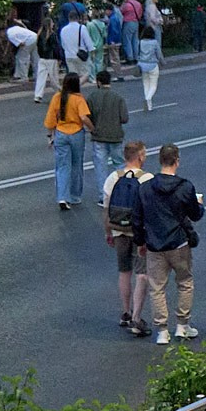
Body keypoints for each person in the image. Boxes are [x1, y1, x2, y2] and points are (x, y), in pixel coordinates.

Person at [134, 143, 204, 344]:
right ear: (177, 161)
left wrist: (140, 242)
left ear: (160, 160)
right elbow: (195, 215)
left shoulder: (145, 188)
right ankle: (182, 325)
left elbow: (137, 218)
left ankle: (162, 330)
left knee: (157, 287)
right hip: (179, 244)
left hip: (155, 245)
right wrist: (198, 205)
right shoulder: (185, 187)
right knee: (185, 282)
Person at [103, 141, 153, 335]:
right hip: (139, 231)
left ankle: (125, 312)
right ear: (140, 156)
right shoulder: (147, 178)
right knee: (142, 273)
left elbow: (106, 208)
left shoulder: (113, 178)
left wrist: (108, 232)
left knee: (124, 272)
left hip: (118, 230)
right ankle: (136, 318)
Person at [45, 73, 93, 211]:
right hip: (76, 134)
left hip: (61, 134)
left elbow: (50, 119)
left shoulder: (57, 97)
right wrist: (92, 128)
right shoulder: (78, 99)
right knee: (76, 165)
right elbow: (83, 118)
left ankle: (62, 197)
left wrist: (50, 136)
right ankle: (75, 196)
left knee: (62, 166)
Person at [87, 67, 131, 188]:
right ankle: (122, 192)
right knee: (120, 165)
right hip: (116, 136)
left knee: (101, 167)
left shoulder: (92, 97)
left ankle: (104, 196)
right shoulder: (118, 97)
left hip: (99, 137)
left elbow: (87, 117)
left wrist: (93, 129)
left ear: (98, 82)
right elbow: (124, 119)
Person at [136, 21, 163, 112]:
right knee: (153, 85)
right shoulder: (155, 42)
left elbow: (137, 54)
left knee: (146, 84)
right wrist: (162, 62)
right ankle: (148, 99)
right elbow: (159, 55)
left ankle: (149, 105)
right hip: (153, 65)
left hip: (142, 65)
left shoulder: (140, 42)